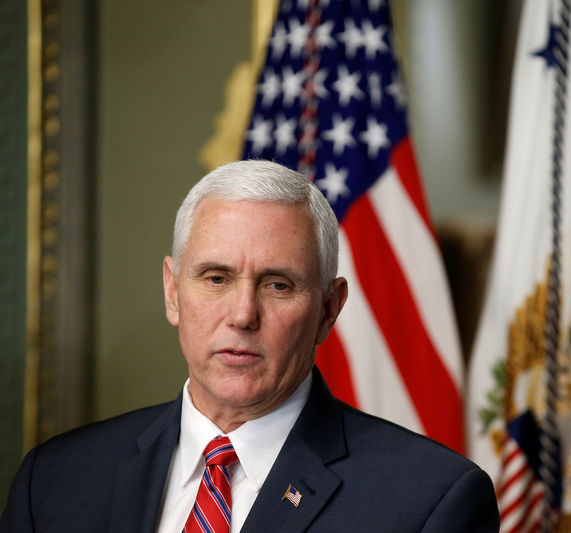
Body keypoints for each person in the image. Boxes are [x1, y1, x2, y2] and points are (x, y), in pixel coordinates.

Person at [0, 160, 500, 532]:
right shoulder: (53, 482)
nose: (243, 315)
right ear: (173, 293)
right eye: (216, 278)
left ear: (330, 308)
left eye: (278, 285)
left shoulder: (429, 502)